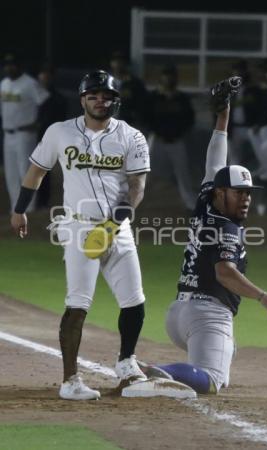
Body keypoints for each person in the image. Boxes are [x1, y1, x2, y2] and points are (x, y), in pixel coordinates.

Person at [139, 79, 267, 394]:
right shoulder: (228, 228)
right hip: (206, 315)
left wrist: (222, 119)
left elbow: (215, 162)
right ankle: (147, 370)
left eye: (249, 193)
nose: (246, 199)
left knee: (228, 348)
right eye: (240, 193)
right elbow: (225, 272)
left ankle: (190, 361)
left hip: (178, 315)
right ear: (223, 193)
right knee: (213, 380)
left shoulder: (206, 202)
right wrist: (264, 297)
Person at [11, 70, 151, 400]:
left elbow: (137, 185)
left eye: (107, 95)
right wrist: (20, 209)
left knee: (135, 301)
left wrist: (116, 221)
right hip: (77, 226)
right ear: (82, 99)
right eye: (94, 95)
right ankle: (70, 380)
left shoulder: (132, 136)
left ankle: (127, 362)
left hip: (117, 227)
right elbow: (36, 170)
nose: (101, 100)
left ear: (116, 100)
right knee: (78, 304)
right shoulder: (60, 132)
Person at [0, 53, 49, 211]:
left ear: (20, 66)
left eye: (13, 64)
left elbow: (46, 102)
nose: (9, 67)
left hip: (25, 133)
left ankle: (29, 209)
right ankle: (16, 209)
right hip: (8, 134)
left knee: (25, 172)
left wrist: (39, 123)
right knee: (11, 175)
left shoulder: (29, 83)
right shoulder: (4, 83)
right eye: (7, 64)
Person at [147, 64, 197, 211]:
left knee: (183, 173)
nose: (168, 79)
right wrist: (155, 131)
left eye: (171, 76)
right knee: (141, 171)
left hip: (176, 141)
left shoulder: (182, 98)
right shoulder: (154, 97)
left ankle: (191, 204)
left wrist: (181, 133)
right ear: (161, 79)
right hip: (157, 140)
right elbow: (146, 116)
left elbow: (190, 119)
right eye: (166, 76)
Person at [36, 63, 68, 208]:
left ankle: (42, 201)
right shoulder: (33, 93)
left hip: (47, 138)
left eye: (48, 74)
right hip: (31, 135)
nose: (45, 77)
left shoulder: (58, 98)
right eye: (43, 73)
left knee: (43, 172)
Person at [109, 51, 148, 132]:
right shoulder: (106, 82)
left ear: (125, 64)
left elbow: (142, 104)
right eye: (115, 61)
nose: (118, 64)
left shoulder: (134, 83)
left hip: (128, 125)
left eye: (120, 61)